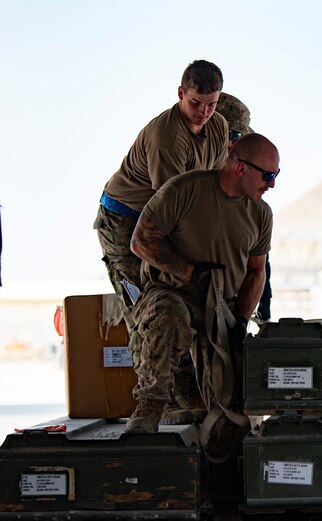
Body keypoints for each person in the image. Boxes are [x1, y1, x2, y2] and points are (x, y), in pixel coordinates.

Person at [125, 133, 277, 434]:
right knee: (169, 316)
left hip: (221, 305)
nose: (272, 184)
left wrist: (241, 321)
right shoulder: (185, 190)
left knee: (228, 404)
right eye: (268, 175)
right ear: (241, 167)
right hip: (171, 292)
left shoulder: (260, 213)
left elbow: (256, 272)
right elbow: (140, 241)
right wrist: (190, 272)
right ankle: (150, 408)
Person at [94, 59, 229, 371]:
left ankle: (186, 388)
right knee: (148, 307)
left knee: (184, 299)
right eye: (196, 103)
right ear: (181, 93)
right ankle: (153, 397)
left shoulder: (218, 126)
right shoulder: (167, 138)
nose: (204, 112)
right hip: (124, 222)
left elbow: (214, 187)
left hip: (166, 217)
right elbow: (170, 208)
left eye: (212, 104)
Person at [215, 92, 273, 320]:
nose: (234, 143)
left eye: (239, 137)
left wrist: (263, 302)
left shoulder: (244, 168)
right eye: (232, 135)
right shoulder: (191, 165)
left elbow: (258, 247)